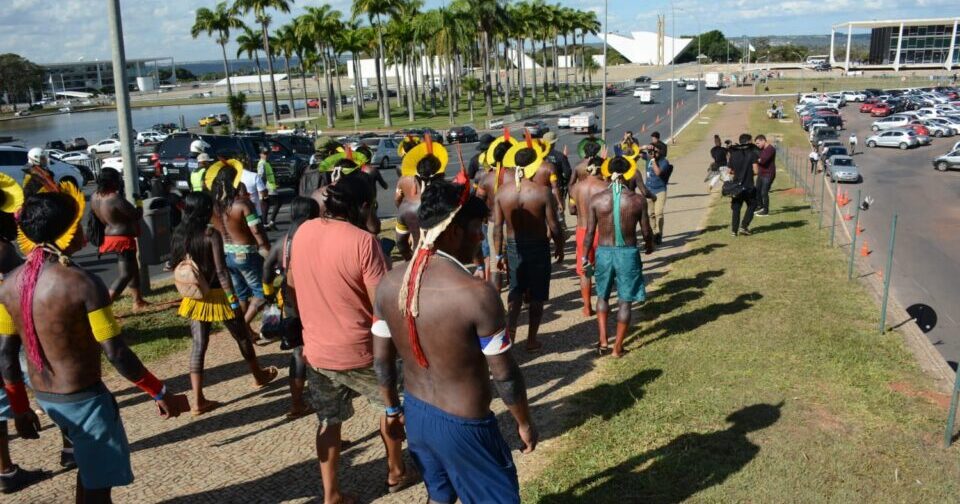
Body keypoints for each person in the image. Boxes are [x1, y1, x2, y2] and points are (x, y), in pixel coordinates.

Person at [0, 183, 180, 503]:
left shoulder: (9, 284)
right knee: (99, 491)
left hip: (47, 398)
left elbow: (6, 356)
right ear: (67, 232)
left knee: (88, 470)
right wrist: (159, 391)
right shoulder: (83, 283)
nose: (86, 230)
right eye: (80, 223)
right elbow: (116, 351)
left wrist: (20, 408)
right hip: (84, 401)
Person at [373, 179, 537, 504]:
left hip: (418, 416)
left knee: (440, 495)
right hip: (466, 427)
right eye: (476, 228)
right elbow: (505, 376)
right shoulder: (476, 295)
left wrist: (392, 409)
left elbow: (382, 362)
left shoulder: (390, 284)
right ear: (452, 232)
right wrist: (524, 422)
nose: (480, 237)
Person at [286, 175, 412, 504]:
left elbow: (292, 282)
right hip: (363, 351)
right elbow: (382, 304)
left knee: (328, 421)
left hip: (318, 350)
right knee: (390, 406)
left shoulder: (303, 232)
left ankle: (331, 494)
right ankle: (395, 471)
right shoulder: (363, 242)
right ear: (365, 206)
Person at [172, 191, 277, 415]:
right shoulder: (211, 234)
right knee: (241, 336)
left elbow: (171, 264)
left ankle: (198, 399)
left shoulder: (181, 234)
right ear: (204, 210)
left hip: (196, 297)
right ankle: (259, 375)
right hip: (219, 295)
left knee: (199, 346)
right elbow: (221, 271)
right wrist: (231, 299)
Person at [493, 141, 564, 352]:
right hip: (539, 246)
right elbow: (554, 226)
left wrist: (498, 254)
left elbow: (497, 228)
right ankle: (532, 339)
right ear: (534, 166)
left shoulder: (502, 192)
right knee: (537, 294)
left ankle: (510, 337)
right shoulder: (542, 192)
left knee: (515, 291)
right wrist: (559, 246)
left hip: (513, 246)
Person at [583, 154, 654, 357]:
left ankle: (603, 340)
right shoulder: (638, 200)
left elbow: (589, 233)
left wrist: (584, 257)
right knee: (624, 300)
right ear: (629, 173)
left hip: (603, 253)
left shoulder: (596, 200)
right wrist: (649, 245)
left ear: (607, 173)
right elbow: (647, 231)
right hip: (628, 254)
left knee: (602, 296)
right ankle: (617, 348)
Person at [262, 197, 319, 418]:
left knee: (298, 351)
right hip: (315, 298)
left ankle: (296, 403)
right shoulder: (314, 239)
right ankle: (323, 396)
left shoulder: (282, 242)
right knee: (319, 347)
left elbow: (266, 270)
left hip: (290, 301)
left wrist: (269, 297)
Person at [207, 163, 271, 332]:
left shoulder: (213, 206)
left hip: (227, 254)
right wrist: (266, 249)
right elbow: (256, 230)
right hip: (246, 254)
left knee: (241, 295)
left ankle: (246, 333)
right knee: (261, 294)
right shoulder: (242, 204)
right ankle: (243, 328)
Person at [90, 168, 150, 309]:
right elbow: (136, 215)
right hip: (121, 239)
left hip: (109, 236)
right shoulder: (114, 198)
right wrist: (139, 202)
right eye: (117, 179)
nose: (120, 181)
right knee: (126, 274)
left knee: (133, 269)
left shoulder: (95, 196)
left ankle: (138, 301)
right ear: (111, 181)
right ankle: (104, 306)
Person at [568, 142, 606, 316]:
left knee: (585, 270)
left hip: (582, 231)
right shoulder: (605, 187)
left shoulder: (576, 189)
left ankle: (586, 306)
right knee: (603, 270)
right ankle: (602, 304)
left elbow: (572, 210)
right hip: (602, 232)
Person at [475, 133, 518, 286]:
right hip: (514, 225)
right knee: (516, 264)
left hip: (493, 225)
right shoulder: (517, 177)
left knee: (495, 266)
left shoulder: (485, 179)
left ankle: (497, 304)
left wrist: (485, 219)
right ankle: (520, 301)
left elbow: (478, 203)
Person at [395, 137, 447, 261]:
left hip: (418, 258)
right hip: (444, 261)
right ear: (440, 174)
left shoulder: (405, 206)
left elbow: (401, 243)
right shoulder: (449, 201)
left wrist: (409, 260)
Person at [729, 133, 759, 236]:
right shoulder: (752, 154)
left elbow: (730, 171)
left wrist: (738, 172)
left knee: (736, 208)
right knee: (753, 204)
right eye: (751, 141)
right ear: (748, 142)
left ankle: (734, 231)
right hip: (748, 185)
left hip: (736, 186)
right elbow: (756, 171)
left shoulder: (733, 154)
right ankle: (744, 226)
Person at [642, 145, 671, 245]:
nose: (653, 153)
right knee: (651, 214)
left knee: (658, 213)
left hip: (660, 190)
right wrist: (645, 147)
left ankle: (659, 234)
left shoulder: (664, 162)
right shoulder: (647, 157)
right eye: (652, 151)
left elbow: (658, 172)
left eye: (656, 152)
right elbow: (635, 152)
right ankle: (654, 233)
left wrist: (653, 160)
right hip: (649, 191)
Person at [256, 148, 280, 229]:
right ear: (260, 154)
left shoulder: (265, 163)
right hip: (268, 187)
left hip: (270, 186)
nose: (266, 155)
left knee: (266, 205)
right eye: (264, 154)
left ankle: (265, 223)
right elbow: (261, 176)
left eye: (267, 154)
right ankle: (271, 222)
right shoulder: (262, 163)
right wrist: (262, 189)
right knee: (277, 203)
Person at [242, 151, 269, 220]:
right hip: (253, 211)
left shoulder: (233, 177)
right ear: (248, 163)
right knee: (257, 230)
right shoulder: (254, 176)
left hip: (238, 212)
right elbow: (263, 193)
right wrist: (265, 192)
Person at [754, 135, 776, 217]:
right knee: (757, 190)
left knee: (764, 192)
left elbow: (762, 161)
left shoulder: (770, 149)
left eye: (758, 143)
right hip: (761, 173)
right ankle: (760, 206)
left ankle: (766, 211)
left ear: (763, 140)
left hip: (768, 174)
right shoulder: (761, 149)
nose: (757, 145)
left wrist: (755, 158)